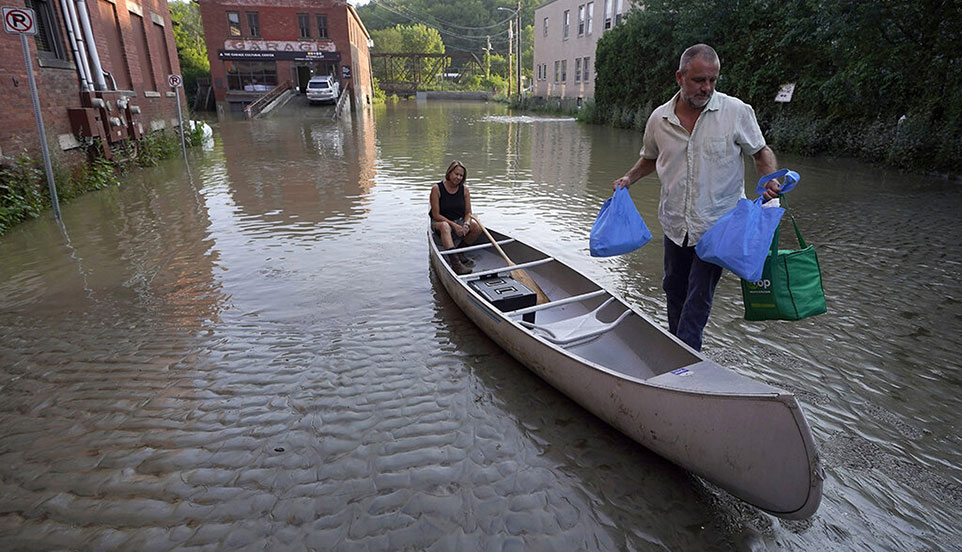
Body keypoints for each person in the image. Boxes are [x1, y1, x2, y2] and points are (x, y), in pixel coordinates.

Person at [613, 44, 782, 351]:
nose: (706, 88)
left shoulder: (736, 112)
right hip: (675, 222)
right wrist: (629, 178)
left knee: (697, 297)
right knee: (673, 288)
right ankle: (680, 349)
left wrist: (769, 180)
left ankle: (685, 358)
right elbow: (651, 158)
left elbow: (761, 152)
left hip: (718, 225)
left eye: (712, 80)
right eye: (699, 80)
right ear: (680, 77)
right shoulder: (658, 119)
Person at [430, 160, 481, 275]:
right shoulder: (437, 189)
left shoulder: (465, 190)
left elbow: (468, 213)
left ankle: (459, 251)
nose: (458, 177)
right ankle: (456, 264)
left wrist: (466, 225)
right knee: (445, 226)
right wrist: (455, 226)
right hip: (440, 222)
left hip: (459, 220)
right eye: (456, 174)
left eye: (461, 175)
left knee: (476, 227)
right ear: (449, 173)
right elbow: (436, 215)